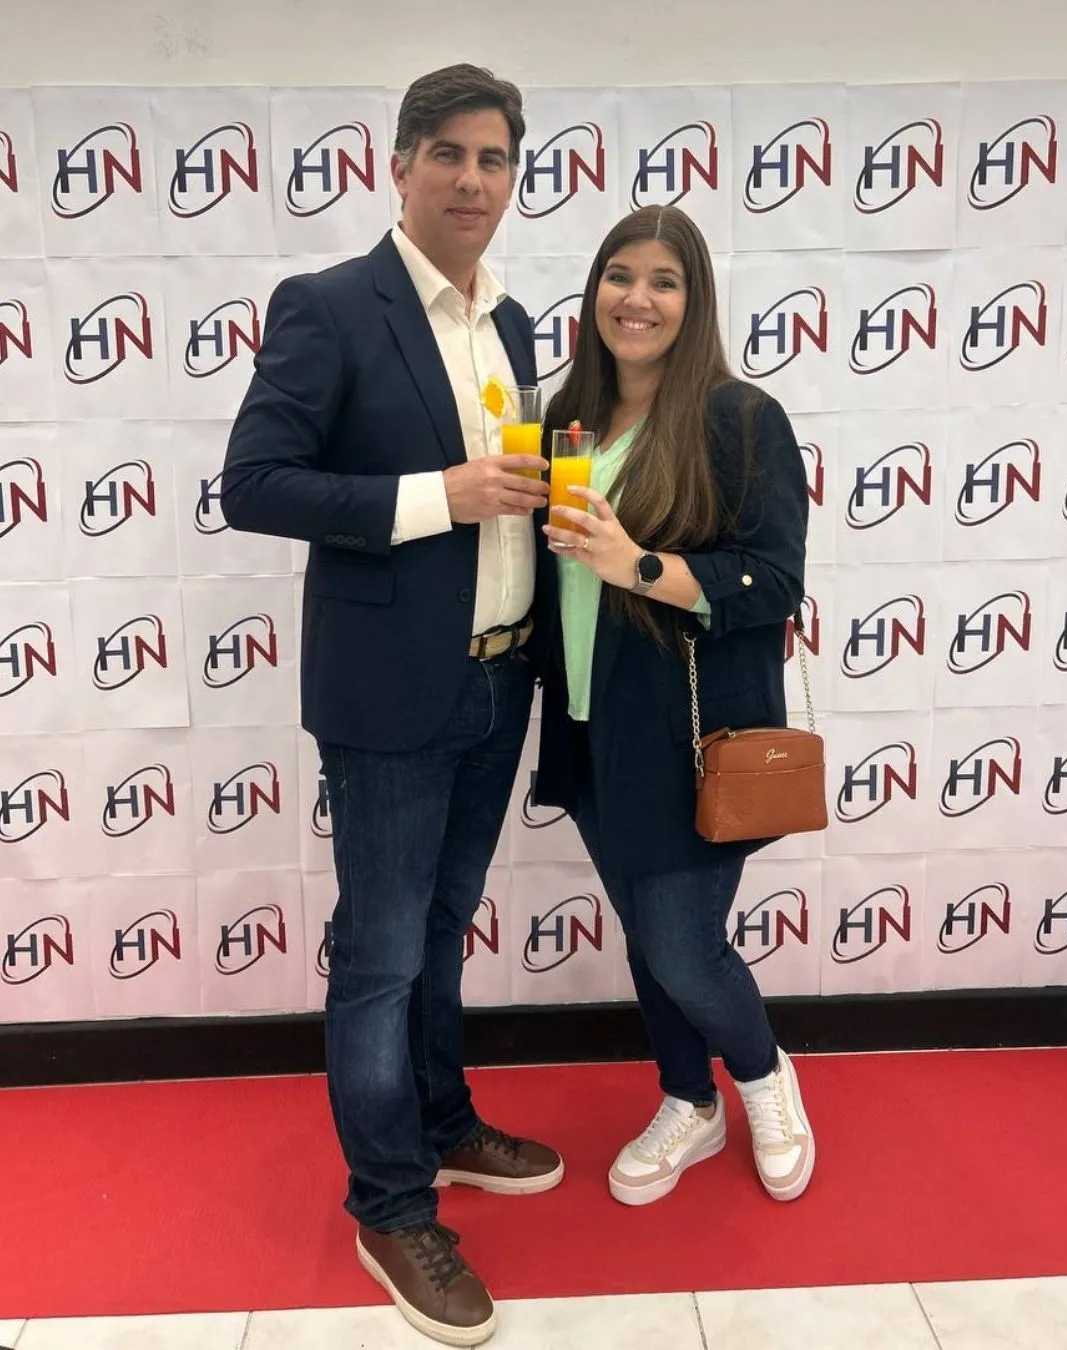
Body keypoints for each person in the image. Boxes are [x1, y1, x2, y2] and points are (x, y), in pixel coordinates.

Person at [220, 64, 563, 1349]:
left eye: (495, 158)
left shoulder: (511, 322)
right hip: (386, 694)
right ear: (400, 166)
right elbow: (254, 483)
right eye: (450, 155)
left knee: (442, 928)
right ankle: (389, 1205)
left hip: (500, 676)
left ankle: (441, 1123)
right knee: (378, 957)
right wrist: (438, 497)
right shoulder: (329, 305)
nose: (474, 179)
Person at [532, 204, 814, 1210]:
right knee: (648, 937)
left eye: (664, 280)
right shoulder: (565, 418)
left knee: (686, 949)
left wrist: (640, 565)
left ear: (695, 302)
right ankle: (688, 1100)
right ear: (594, 292)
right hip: (587, 725)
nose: (637, 299)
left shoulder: (739, 418)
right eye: (620, 275)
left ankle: (765, 1080)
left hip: (689, 738)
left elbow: (774, 581)